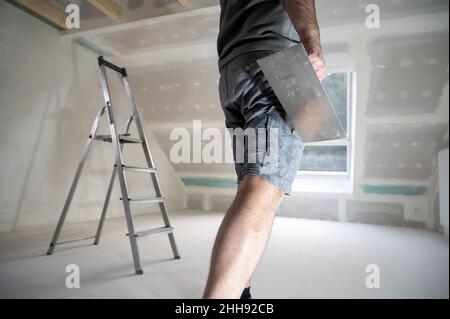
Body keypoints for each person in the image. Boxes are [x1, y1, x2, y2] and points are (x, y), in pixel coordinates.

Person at [203, 0, 327, 299]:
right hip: (275, 61)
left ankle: (242, 293)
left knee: (255, 189)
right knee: (262, 189)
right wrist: (312, 44)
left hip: (233, 71)